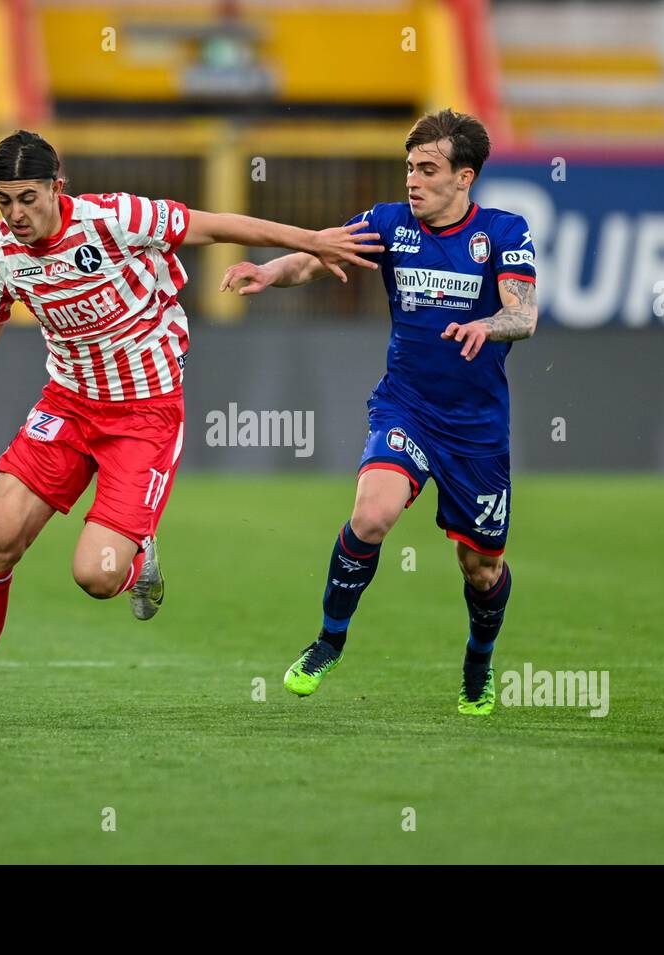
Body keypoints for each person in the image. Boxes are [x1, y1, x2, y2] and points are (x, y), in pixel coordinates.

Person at [0, 130, 383, 726]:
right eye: (4, 201)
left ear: (55, 188)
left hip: (144, 414)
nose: (16, 214)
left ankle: (137, 552)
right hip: (67, 406)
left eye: (27, 198)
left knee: (96, 577)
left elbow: (214, 224)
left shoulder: (114, 218)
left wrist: (308, 240)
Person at [220, 109, 537, 716]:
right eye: (408, 167)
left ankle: (479, 659)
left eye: (427, 169)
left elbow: (523, 315)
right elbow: (316, 255)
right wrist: (268, 270)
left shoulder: (503, 231)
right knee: (372, 514)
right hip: (406, 406)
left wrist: (486, 325)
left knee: (481, 566)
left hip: (475, 426)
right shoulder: (388, 223)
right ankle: (328, 642)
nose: (412, 180)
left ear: (464, 177)